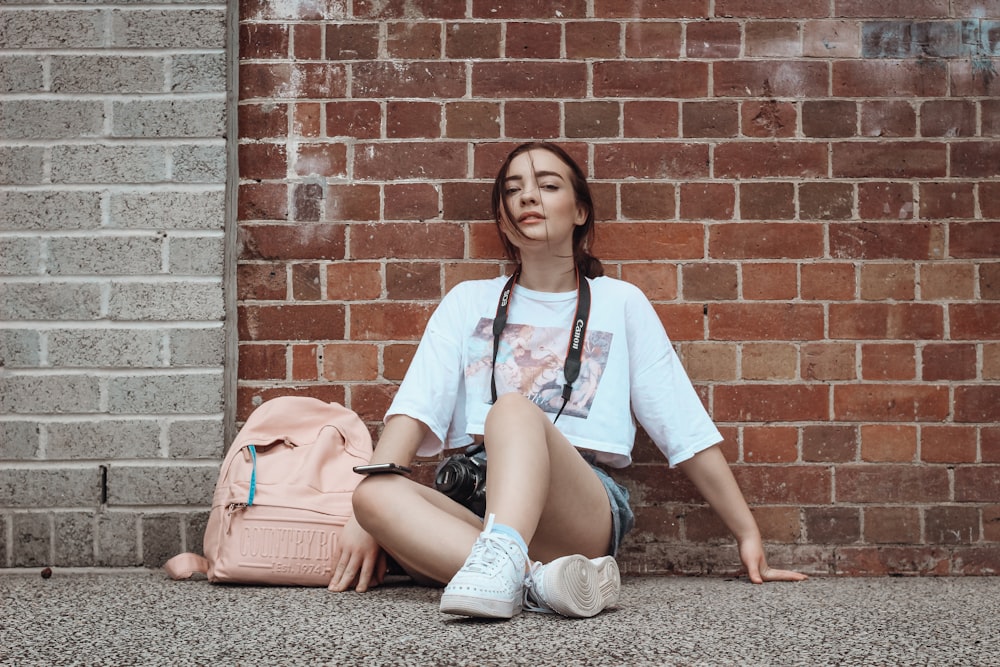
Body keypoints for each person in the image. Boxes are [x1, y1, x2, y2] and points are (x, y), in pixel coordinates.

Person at [329, 141, 807, 618]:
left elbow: (681, 424)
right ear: (502, 220)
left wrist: (746, 532)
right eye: (513, 190)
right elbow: (414, 409)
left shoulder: (620, 303)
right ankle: (539, 583)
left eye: (547, 185)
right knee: (373, 490)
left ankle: (505, 567)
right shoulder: (467, 302)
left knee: (513, 409)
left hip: (578, 504)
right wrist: (365, 519)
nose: (527, 197)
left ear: (580, 211)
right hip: (480, 500)